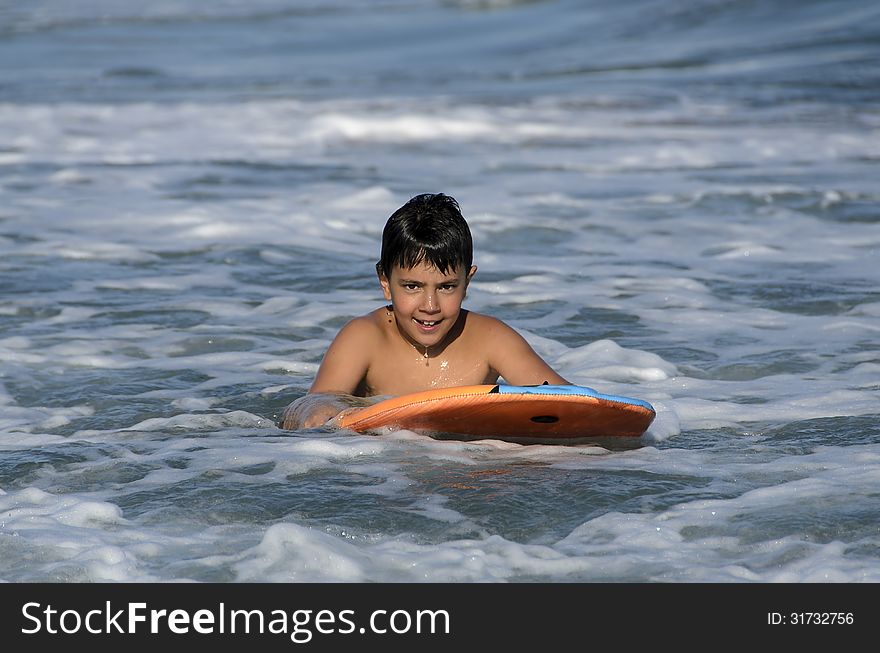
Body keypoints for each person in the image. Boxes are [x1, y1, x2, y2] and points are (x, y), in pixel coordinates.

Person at [280, 193, 568, 429]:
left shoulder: (491, 339)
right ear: (385, 282)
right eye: (412, 287)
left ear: (467, 281)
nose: (430, 306)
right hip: (381, 470)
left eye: (446, 287)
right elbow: (309, 405)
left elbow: (568, 402)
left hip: (465, 470)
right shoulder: (365, 338)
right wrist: (321, 411)